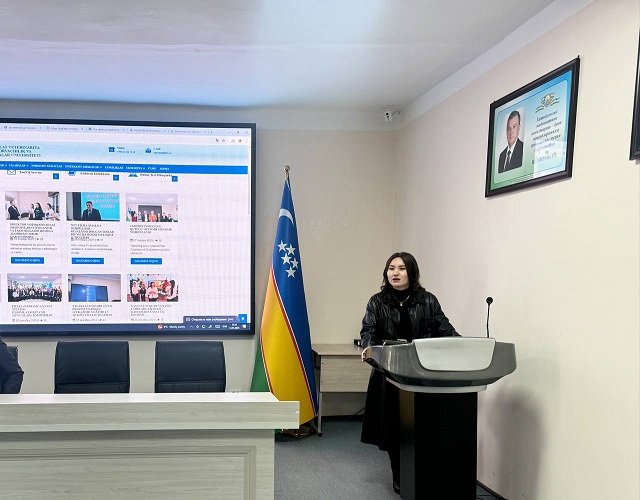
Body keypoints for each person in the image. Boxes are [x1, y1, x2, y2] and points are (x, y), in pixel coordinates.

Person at [359, 251, 459, 494]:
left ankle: (424, 472)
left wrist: (461, 345)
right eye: (391, 268)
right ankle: (400, 474)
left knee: (423, 426)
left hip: (423, 374)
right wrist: (369, 348)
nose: (395, 273)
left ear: (412, 272)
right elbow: (368, 332)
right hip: (389, 373)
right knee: (394, 427)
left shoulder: (428, 301)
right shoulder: (377, 302)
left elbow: (445, 330)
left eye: (401, 268)